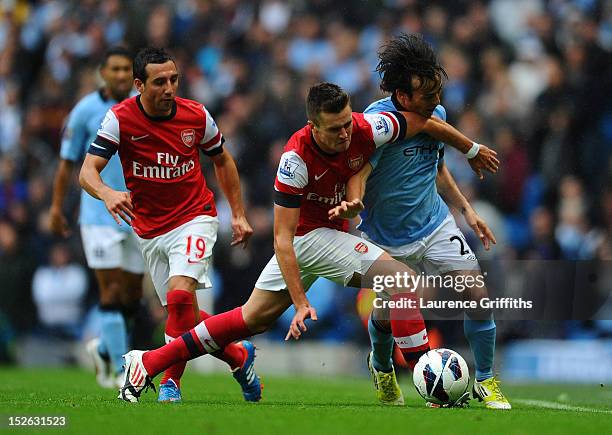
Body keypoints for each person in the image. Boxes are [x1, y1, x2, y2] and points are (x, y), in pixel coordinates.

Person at [111, 82, 499, 403]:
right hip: (304, 239)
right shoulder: (294, 160)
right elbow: (283, 238)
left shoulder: (368, 127)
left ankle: (148, 361)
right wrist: (299, 302)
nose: (345, 133)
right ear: (313, 126)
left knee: (250, 319)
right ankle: (427, 377)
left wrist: (471, 148)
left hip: (326, 235)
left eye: (347, 124)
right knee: (401, 281)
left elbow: (423, 121)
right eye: (335, 129)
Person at [329, 33, 510, 409]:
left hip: (435, 224)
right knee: (384, 312)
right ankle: (380, 365)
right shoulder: (376, 125)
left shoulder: (436, 116)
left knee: (477, 294)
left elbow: (437, 166)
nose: (437, 103)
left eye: (437, 94)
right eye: (427, 97)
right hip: (387, 237)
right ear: (403, 97)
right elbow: (359, 172)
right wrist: (354, 201)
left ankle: (487, 381)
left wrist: (466, 211)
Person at [79, 47, 261, 403]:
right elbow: (87, 171)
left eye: (174, 79)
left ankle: (169, 382)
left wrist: (237, 213)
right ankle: (239, 356)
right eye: (159, 81)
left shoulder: (196, 115)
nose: (169, 88)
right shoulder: (120, 118)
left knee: (179, 297)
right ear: (138, 84)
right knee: (185, 316)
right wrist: (107, 193)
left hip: (195, 216)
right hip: (149, 229)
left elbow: (222, 160)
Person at [50, 47, 144, 389]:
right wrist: (56, 208)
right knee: (112, 290)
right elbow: (66, 164)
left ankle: (105, 348)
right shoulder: (84, 111)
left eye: (125, 70)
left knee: (133, 295)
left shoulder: (142, 107)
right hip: (98, 214)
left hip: (137, 214)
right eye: (114, 69)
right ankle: (121, 372)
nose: (120, 75)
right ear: (102, 73)